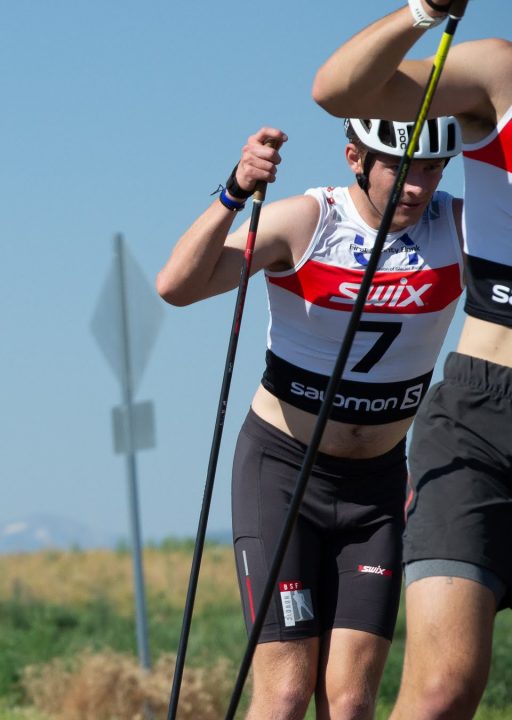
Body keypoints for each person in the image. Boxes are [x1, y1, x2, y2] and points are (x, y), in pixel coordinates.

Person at [156, 117, 464, 720]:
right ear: (355, 157)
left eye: (432, 169)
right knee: (286, 694)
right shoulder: (308, 220)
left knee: (350, 703)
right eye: (400, 168)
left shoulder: (456, 228)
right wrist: (235, 190)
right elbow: (176, 286)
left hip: (376, 488)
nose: (417, 187)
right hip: (283, 472)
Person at [312, 3, 512, 717]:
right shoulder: (498, 70)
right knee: (439, 691)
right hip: (481, 417)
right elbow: (340, 92)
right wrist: (423, 11)